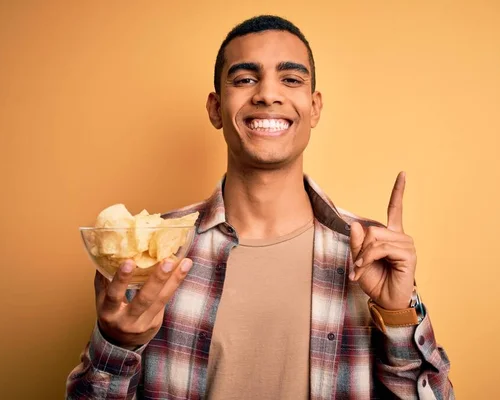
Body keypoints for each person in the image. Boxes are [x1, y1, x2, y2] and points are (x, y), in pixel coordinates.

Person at [67, 15, 453, 400]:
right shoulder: (155, 248)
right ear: (216, 109)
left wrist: (400, 317)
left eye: (291, 79)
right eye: (245, 79)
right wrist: (115, 345)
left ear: (314, 107)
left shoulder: (371, 253)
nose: (268, 94)